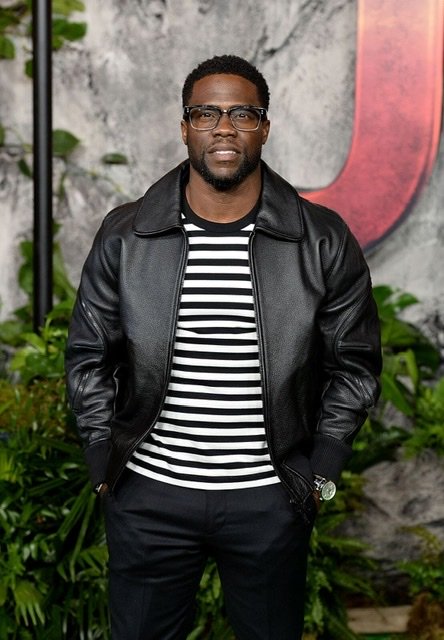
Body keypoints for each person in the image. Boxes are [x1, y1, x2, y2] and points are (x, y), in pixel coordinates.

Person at [65, 54, 381, 640]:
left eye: (242, 112)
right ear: (185, 127)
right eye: (206, 112)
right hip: (149, 495)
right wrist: (102, 459)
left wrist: (323, 471)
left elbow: (355, 365)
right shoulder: (127, 234)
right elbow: (89, 353)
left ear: (265, 126)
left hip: (269, 500)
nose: (224, 126)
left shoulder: (321, 238)